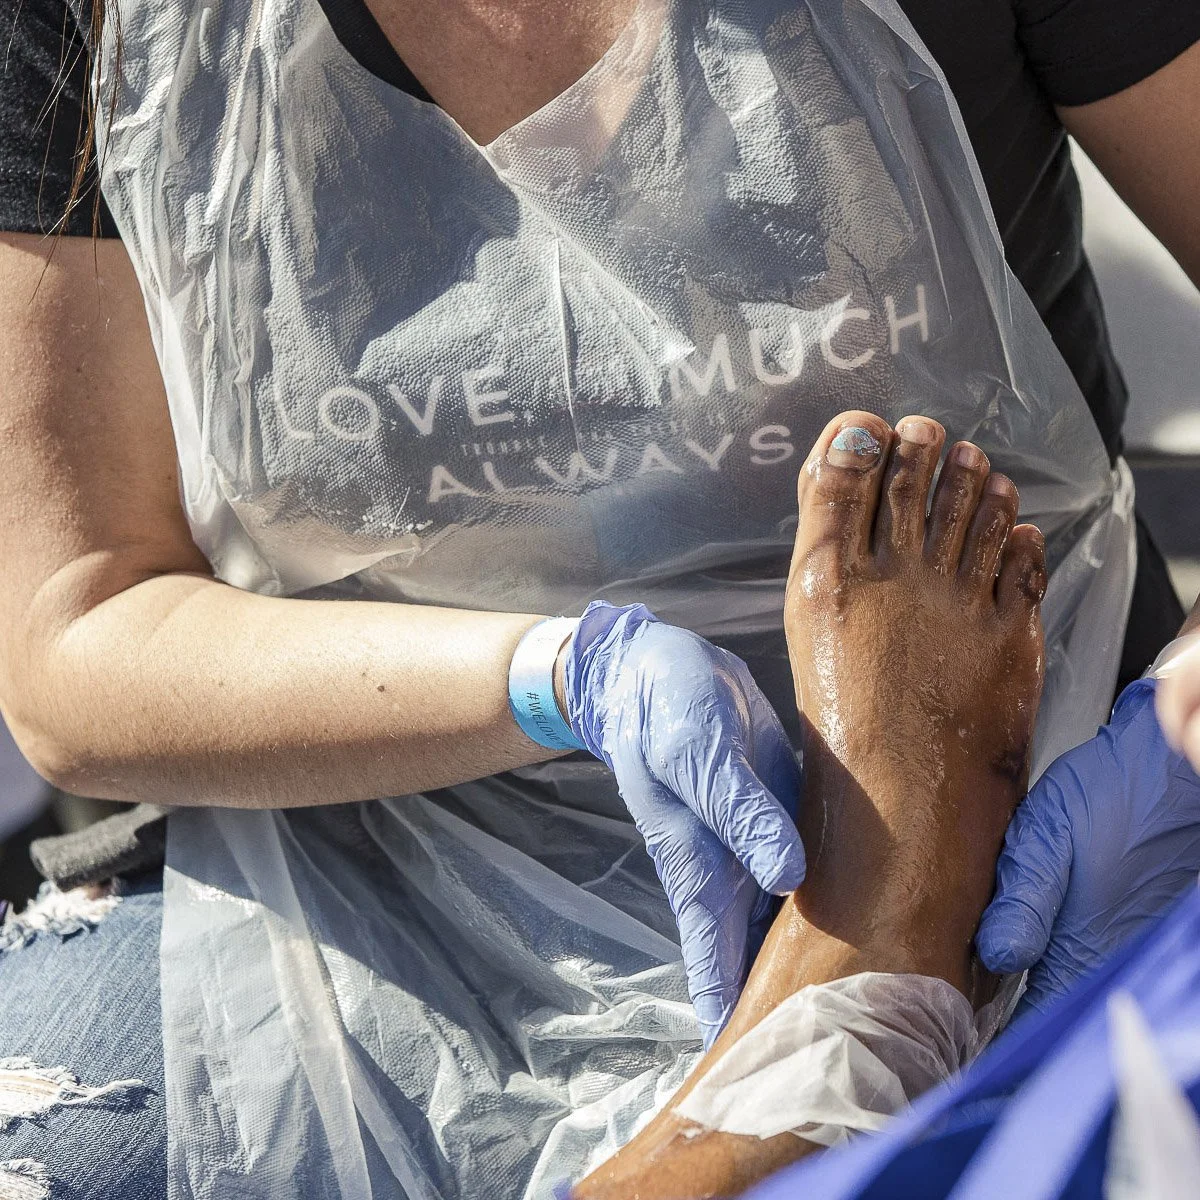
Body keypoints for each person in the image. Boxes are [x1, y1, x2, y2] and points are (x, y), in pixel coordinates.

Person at [0, 0, 1190, 1195]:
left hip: (1040, 792)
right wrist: (558, 678)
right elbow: (80, 631)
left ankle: (842, 991)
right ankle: (872, 973)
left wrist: (1184, 724)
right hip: (392, 842)